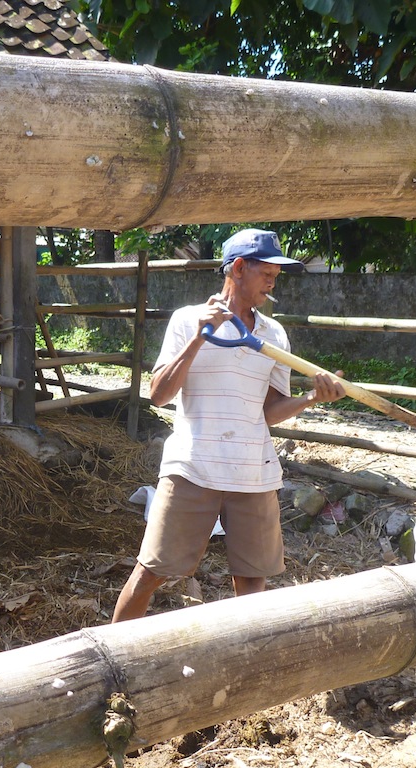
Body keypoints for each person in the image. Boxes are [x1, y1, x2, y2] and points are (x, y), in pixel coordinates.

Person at [112, 229, 345, 622]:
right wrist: (199, 339)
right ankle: (111, 660)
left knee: (253, 584)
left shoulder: (274, 334)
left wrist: (310, 400)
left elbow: (267, 412)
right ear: (238, 268)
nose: (273, 283)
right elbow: (159, 394)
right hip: (193, 466)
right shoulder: (187, 320)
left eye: (275, 276)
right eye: (267, 274)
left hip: (253, 472)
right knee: (153, 570)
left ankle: (246, 670)